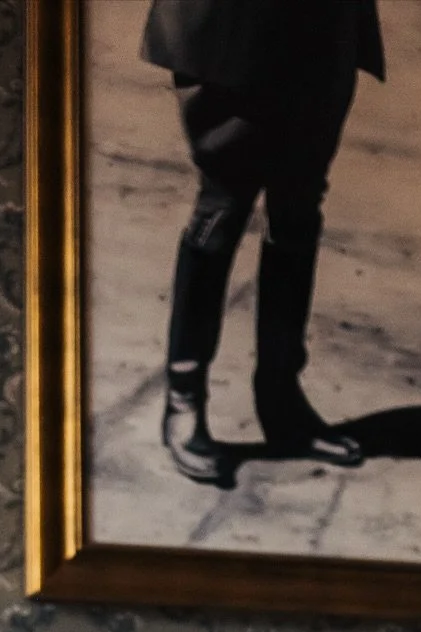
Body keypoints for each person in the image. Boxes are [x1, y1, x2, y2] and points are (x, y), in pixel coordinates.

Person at [142, 0, 384, 484]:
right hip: (229, 25)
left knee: (296, 211)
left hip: (323, 25)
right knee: (224, 204)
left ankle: (282, 400)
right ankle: (184, 398)